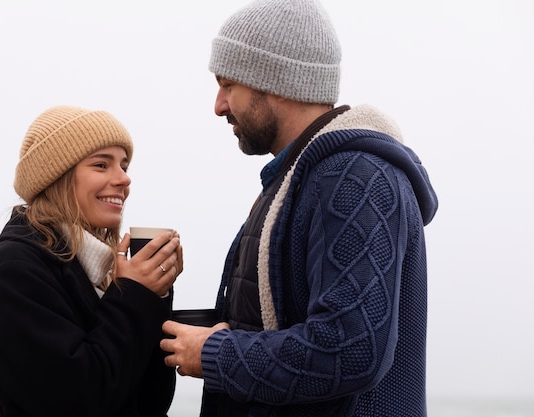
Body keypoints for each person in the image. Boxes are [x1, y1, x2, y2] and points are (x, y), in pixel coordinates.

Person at [160, 0, 439, 416]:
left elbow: (350, 348)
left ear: (271, 79)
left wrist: (215, 353)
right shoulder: (299, 180)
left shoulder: (354, 177)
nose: (218, 105)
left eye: (228, 84)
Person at [0, 105, 183, 417]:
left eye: (124, 165)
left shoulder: (98, 273)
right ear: (57, 176)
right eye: (101, 165)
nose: (124, 179)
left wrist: (154, 293)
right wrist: (135, 296)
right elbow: (78, 398)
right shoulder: (12, 273)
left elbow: (150, 402)